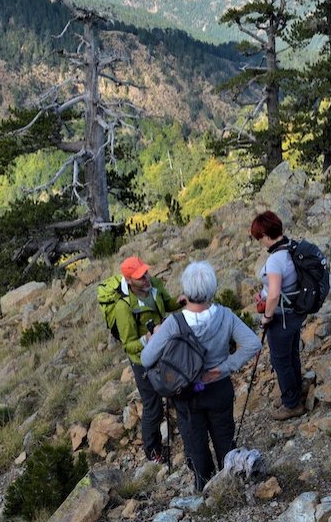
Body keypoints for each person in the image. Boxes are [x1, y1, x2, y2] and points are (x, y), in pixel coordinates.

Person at [140, 260, 260, 491]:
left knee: (195, 444)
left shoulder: (175, 323)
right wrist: (225, 367)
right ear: (212, 289)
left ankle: (203, 488)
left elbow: (146, 359)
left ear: (185, 291)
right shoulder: (225, 316)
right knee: (225, 438)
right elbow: (252, 344)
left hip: (186, 394)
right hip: (218, 388)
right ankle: (230, 487)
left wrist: (155, 336)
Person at [106, 255, 181, 463]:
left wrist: (180, 301)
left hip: (164, 352)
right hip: (142, 361)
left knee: (178, 390)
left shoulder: (154, 284)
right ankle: (153, 451)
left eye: (145, 272)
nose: (146, 278)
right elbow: (128, 344)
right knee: (153, 406)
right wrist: (147, 338)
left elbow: (168, 303)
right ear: (129, 281)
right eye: (140, 277)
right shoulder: (123, 307)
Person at [250, 210, 307, 420]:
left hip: (281, 316)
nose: (260, 242)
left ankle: (292, 404)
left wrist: (267, 316)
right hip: (294, 313)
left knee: (281, 360)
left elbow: (274, 293)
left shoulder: (275, 260)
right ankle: (293, 393)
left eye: (259, 238)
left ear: (266, 235)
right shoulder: (291, 248)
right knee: (292, 356)